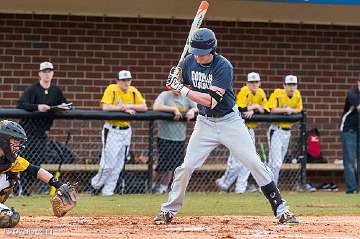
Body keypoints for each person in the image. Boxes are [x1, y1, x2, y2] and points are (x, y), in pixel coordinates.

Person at [154, 28, 298, 225]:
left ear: (212, 50)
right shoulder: (189, 61)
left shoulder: (223, 66)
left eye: (201, 53)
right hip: (204, 123)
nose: (197, 57)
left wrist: (182, 88)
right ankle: (169, 210)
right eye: (194, 52)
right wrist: (175, 83)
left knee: (254, 163)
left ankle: (282, 209)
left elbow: (210, 101)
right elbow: (180, 88)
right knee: (186, 167)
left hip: (230, 121)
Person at [0, 120, 76, 228]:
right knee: (7, 217)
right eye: (15, 141)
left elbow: (36, 171)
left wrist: (59, 185)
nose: (18, 145)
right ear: (3, 140)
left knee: (10, 177)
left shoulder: (11, 160)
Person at [17, 61, 70, 195]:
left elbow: (65, 104)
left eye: (49, 71)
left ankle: (25, 189)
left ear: (52, 73)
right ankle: (19, 189)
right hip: (27, 132)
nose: (47, 74)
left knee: (37, 163)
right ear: (40, 73)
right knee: (24, 161)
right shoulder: (32, 89)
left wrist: (61, 108)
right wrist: (38, 107)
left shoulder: (55, 91)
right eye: (44, 71)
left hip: (42, 133)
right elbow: (21, 105)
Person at [91, 70, 147, 196]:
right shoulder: (112, 89)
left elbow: (144, 107)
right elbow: (105, 107)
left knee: (119, 165)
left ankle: (107, 192)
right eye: (123, 80)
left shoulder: (133, 90)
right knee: (108, 164)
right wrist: (121, 108)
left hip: (126, 131)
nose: (126, 82)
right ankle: (95, 186)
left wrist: (127, 105)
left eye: (128, 80)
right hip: (112, 129)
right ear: (117, 81)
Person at [216, 72, 267, 193]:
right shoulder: (244, 91)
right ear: (247, 83)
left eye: (256, 82)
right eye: (251, 82)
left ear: (259, 83)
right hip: (238, 129)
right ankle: (223, 183)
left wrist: (253, 108)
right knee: (235, 162)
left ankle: (240, 188)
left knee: (249, 159)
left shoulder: (261, 92)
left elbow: (265, 109)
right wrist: (255, 107)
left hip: (250, 130)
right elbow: (240, 109)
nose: (254, 84)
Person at [152, 90, 197, 193]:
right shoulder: (164, 95)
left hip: (179, 138)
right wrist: (173, 109)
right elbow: (156, 107)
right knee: (161, 166)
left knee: (173, 166)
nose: (176, 89)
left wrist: (192, 110)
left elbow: (198, 107)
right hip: (164, 137)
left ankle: (163, 188)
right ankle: (152, 185)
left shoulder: (186, 97)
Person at [266, 75, 303, 186]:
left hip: (287, 132)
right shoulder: (278, 93)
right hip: (276, 130)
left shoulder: (297, 94)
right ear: (284, 85)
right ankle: (272, 187)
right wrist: (284, 110)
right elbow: (271, 109)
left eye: (294, 85)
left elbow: (299, 109)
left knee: (276, 162)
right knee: (276, 163)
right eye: (289, 85)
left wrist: (290, 110)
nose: (292, 87)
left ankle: (266, 185)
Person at [340, 78, 360, 194]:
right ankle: (352, 189)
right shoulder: (353, 93)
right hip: (349, 130)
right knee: (350, 161)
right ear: (358, 83)